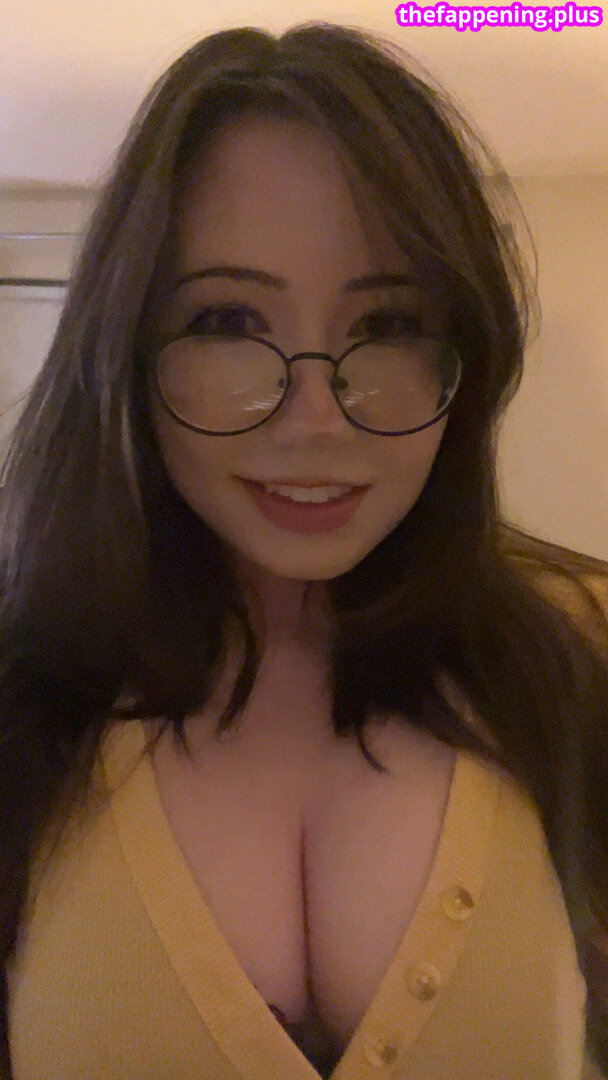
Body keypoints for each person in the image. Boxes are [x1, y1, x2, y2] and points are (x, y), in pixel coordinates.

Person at [1, 21, 608, 1080]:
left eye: (388, 325)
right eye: (229, 322)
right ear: (127, 350)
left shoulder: (577, 664)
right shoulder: (22, 705)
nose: (317, 418)